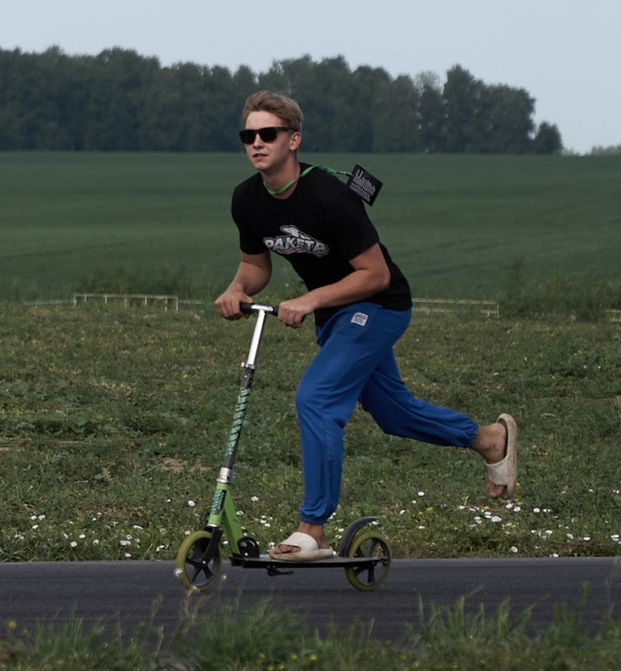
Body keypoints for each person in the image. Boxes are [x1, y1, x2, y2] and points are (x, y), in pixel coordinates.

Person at [217, 92, 517, 557]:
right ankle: (489, 439)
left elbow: (375, 275)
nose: (256, 142)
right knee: (393, 413)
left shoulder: (330, 197)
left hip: (378, 306)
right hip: (336, 313)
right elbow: (255, 265)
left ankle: (313, 529)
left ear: (293, 140)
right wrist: (238, 288)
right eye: (248, 135)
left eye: (268, 134)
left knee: (316, 397)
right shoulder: (247, 199)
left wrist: (310, 299)